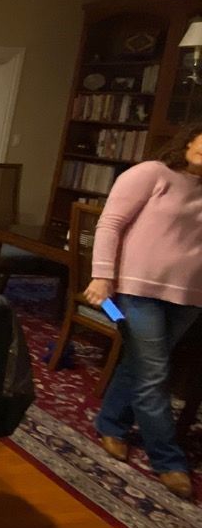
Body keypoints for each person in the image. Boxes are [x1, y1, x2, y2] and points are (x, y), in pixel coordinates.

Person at [85, 123, 202, 501]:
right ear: (190, 139)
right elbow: (110, 224)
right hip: (136, 289)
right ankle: (168, 458)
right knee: (154, 371)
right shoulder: (151, 174)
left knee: (141, 362)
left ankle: (111, 424)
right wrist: (102, 276)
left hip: (190, 295)